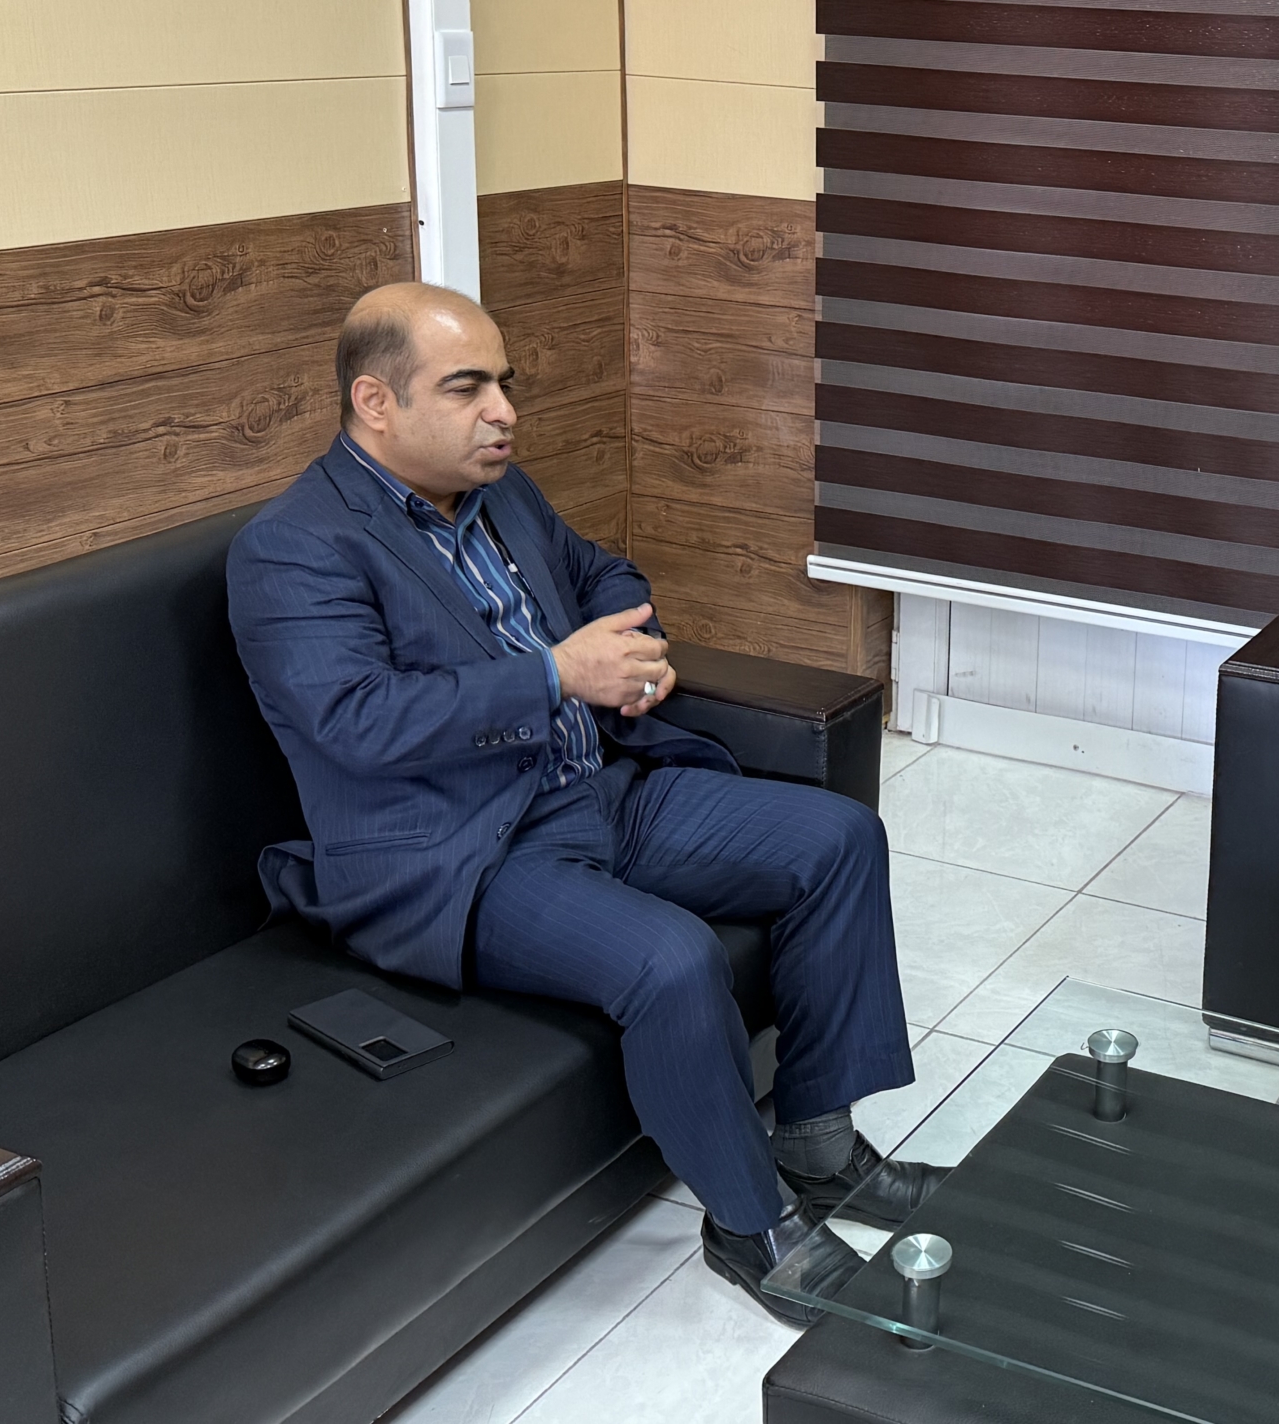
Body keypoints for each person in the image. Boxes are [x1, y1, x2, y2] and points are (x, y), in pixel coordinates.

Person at [228, 282, 933, 1326]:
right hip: (460, 856)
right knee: (671, 959)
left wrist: (631, 647)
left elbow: (603, 572)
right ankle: (750, 1226)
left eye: (505, 384)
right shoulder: (294, 546)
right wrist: (557, 675)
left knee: (838, 839)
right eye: (467, 388)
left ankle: (819, 1146)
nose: (503, 412)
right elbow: (355, 722)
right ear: (375, 403)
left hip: (595, 788)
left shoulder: (502, 492)